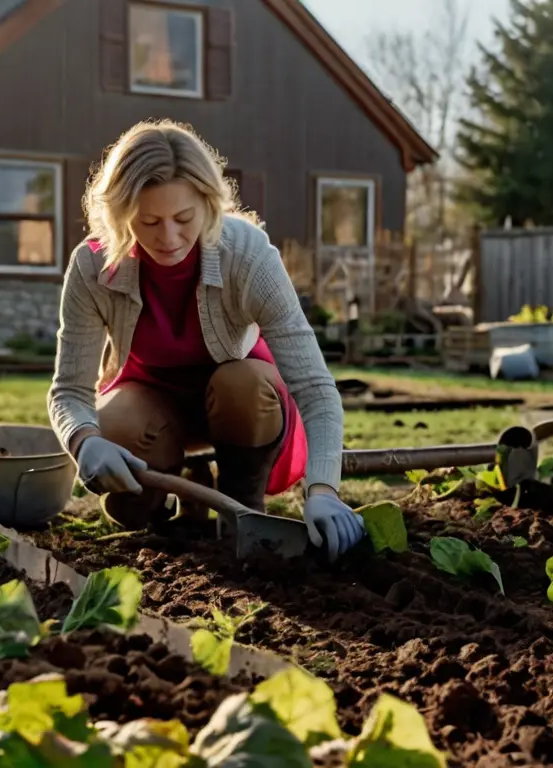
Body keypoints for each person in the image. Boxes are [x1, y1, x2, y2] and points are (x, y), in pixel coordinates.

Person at [46, 119, 366, 561]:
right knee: (122, 474)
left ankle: (240, 504)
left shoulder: (248, 255)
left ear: (208, 203)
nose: (169, 238)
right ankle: (163, 502)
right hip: (151, 405)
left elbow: (314, 387)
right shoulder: (92, 266)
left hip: (240, 403)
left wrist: (324, 489)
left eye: (183, 218)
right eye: (149, 221)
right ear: (120, 215)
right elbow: (69, 390)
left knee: (243, 386)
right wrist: (85, 439)